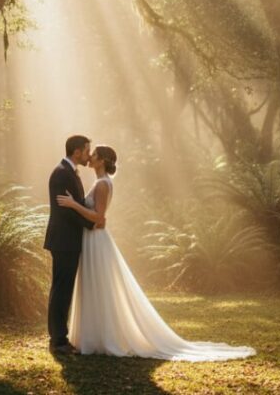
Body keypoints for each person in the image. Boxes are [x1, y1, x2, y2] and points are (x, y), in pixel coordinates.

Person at [57, 144, 256, 361]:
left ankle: (102, 338)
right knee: (94, 286)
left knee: (100, 286)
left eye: (93, 154)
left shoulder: (103, 185)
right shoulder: (99, 182)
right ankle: (93, 337)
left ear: (102, 160)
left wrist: (73, 205)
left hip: (97, 240)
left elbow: (100, 219)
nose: (90, 157)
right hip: (92, 240)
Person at [43, 135, 103, 355]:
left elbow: (74, 205)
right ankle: (58, 340)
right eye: (87, 151)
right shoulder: (61, 174)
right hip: (64, 240)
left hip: (68, 240)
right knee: (62, 289)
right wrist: (91, 222)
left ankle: (58, 337)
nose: (88, 155)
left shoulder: (69, 172)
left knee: (63, 288)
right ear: (77, 152)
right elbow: (65, 210)